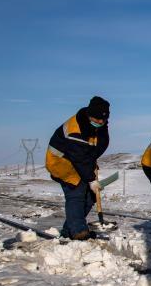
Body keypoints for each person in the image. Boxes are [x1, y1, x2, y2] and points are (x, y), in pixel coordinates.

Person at [45, 96, 111, 240]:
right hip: (61, 163)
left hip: (79, 161)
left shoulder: (99, 125)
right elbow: (79, 158)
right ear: (89, 115)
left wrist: (91, 161)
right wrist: (91, 179)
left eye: (103, 119)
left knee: (91, 196)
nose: (100, 122)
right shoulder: (75, 129)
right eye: (97, 119)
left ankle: (69, 230)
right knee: (77, 192)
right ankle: (79, 231)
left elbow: (98, 146)